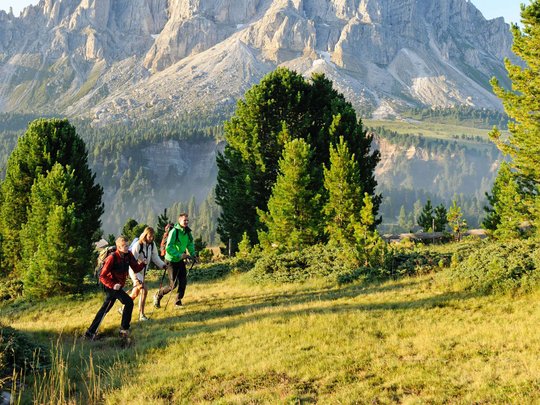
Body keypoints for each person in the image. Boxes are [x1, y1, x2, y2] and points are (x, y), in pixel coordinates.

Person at [85, 236, 146, 340]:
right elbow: (102, 276)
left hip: (117, 286)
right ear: (118, 247)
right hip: (110, 286)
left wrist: (143, 264)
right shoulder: (112, 257)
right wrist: (113, 285)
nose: (126, 248)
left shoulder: (128, 255)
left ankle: (90, 332)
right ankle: (123, 330)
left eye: (127, 245)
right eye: (124, 246)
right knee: (128, 302)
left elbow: (135, 268)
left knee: (106, 307)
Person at [153, 213, 196, 309]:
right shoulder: (174, 232)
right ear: (179, 221)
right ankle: (158, 295)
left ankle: (178, 301)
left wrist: (193, 254)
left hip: (180, 259)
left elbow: (190, 244)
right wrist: (179, 255)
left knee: (183, 281)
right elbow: (169, 247)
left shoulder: (187, 232)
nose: (186, 222)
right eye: (184, 220)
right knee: (173, 285)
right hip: (171, 260)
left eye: (187, 220)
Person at [126, 227, 166, 321]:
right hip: (134, 271)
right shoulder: (138, 245)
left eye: (152, 236)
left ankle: (123, 308)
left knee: (135, 293)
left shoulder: (152, 245)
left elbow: (155, 257)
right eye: (149, 236)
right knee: (144, 290)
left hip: (142, 272)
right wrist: (135, 278)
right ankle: (141, 315)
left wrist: (163, 265)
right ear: (145, 235)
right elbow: (132, 262)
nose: (151, 238)